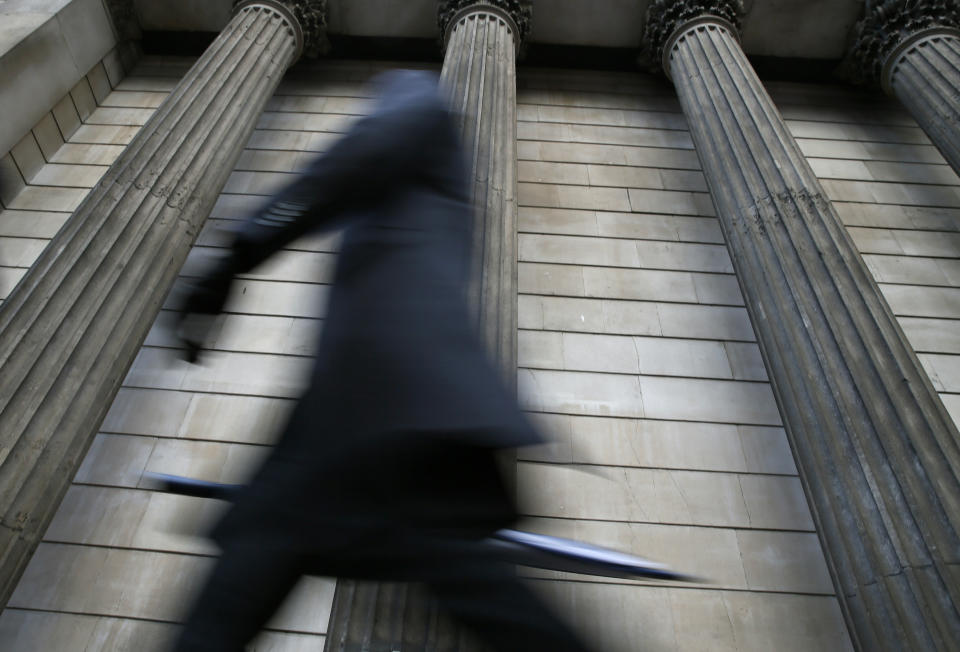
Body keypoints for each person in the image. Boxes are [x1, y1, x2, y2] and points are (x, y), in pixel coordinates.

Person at [172, 70, 592, 652]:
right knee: (264, 557)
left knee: (255, 562)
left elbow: (360, 153)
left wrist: (240, 248)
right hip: (364, 412)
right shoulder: (409, 188)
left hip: (394, 402)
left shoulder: (419, 109)